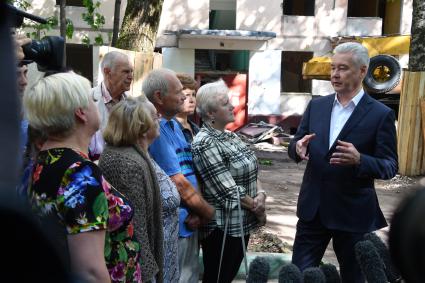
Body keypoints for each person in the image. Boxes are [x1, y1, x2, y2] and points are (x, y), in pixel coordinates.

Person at [288, 42, 398, 283]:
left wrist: (361, 160)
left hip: (353, 215)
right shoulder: (317, 106)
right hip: (313, 211)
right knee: (299, 276)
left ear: (362, 71)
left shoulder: (381, 115)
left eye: (343, 68)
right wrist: (297, 148)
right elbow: (296, 144)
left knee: (354, 278)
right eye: (333, 68)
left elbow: (390, 166)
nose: (335, 75)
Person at [23, 72, 142, 282]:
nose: (96, 105)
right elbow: (90, 271)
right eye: (92, 100)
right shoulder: (78, 172)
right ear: (81, 113)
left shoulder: (43, 161)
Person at [143, 68, 215, 283]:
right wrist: (208, 212)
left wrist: (198, 211)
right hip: (174, 224)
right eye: (178, 92)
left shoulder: (174, 125)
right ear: (159, 97)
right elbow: (178, 182)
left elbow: (190, 172)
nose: (185, 96)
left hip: (190, 220)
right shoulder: (155, 129)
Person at [191, 79, 267, 283]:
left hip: (243, 222)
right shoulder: (204, 142)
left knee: (228, 276)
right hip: (223, 228)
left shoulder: (230, 136)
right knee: (218, 278)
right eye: (225, 104)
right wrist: (257, 207)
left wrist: (261, 195)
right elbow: (227, 190)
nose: (232, 106)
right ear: (210, 113)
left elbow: (252, 168)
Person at [99, 97, 164, 283]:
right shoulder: (127, 163)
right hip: (135, 269)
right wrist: (146, 273)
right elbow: (137, 226)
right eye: (154, 117)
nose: (158, 120)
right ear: (141, 126)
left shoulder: (134, 156)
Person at [89, 51, 134, 160]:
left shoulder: (132, 104)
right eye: (126, 72)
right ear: (107, 72)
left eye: (131, 72)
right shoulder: (87, 99)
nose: (131, 76)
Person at [175, 73, 199, 143]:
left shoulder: (196, 129)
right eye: (187, 95)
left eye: (193, 95)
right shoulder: (168, 128)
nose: (192, 100)